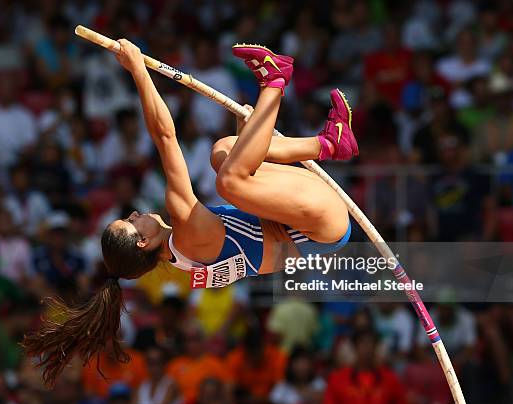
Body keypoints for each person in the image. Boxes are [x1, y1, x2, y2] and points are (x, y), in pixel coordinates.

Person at [23, 40, 357, 385]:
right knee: (229, 181)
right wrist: (138, 71)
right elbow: (166, 138)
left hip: (300, 220)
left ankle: (330, 143)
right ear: (142, 243)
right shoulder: (186, 231)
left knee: (223, 151)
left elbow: (258, 232)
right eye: (131, 221)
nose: (136, 213)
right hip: (319, 227)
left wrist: (249, 138)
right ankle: (275, 81)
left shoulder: (182, 255)